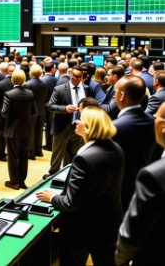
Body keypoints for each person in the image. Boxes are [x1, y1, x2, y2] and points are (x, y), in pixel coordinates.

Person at [37, 107, 125, 266]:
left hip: (83, 231)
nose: (76, 121)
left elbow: (69, 203)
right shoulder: (117, 149)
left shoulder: (84, 158)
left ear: (90, 127)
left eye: (81, 119)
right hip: (110, 227)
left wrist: (52, 197)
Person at [115, 102, 165, 266]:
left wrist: (119, 260)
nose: (153, 119)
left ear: (163, 127)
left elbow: (132, 235)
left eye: (156, 118)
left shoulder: (154, 175)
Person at [112, 75, 155, 210]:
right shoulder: (152, 121)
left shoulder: (115, 127)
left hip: (119, 191)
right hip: (145, 185)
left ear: (122, 96)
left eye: (115, 92)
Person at [45, 66, 90, 178]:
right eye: (72, 75)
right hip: (62, 126)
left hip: (78, 127)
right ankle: (52, 176)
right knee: (57, 156)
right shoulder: (60, 89)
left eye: (77, 76)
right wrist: (64, 108)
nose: (73, 77)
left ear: (82, 77)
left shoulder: (87, 89)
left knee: (73, 154)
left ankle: (69, 176)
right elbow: (50, 106)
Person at [1, 69, 36, 190]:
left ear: (12, 80)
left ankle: (14, 182)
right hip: (27, 129)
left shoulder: (9, 94)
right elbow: (34, 112)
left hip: (13, 129)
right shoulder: (30, 93)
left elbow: (4, 113)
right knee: (23, 156)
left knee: (12, 157)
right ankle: (22, 181)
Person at [24, 65, 48, 160]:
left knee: (31, 131)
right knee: (39, 131)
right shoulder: (45, 83)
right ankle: (38, 151)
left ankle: (31, 153)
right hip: (42, 109)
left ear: (31, 72)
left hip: (31, 110)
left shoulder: (27, 84)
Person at [0, 63, 15, 161]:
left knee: (1, 133)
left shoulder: (0, 84)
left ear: (7, 72)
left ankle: (1, 155)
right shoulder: (19, 83)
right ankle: (12, 153)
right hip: (14, 112)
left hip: (1, 111)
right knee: (13, 133)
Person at [42, 62, 57, 151]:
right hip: (52, 105)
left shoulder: (42, 79)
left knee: (40, 127)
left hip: (42, 105)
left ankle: (38, 147)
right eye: (54, 68)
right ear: (52, 70)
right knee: (50, 125)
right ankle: (50, 145)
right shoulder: (56, 80)